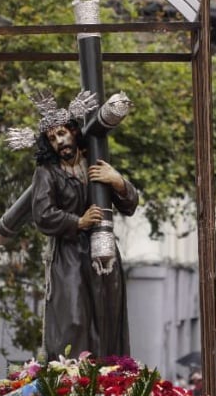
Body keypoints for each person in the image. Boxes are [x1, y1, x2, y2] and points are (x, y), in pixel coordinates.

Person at [22, 92, 139, 358]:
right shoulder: (47, 173)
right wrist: (78, 221)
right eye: (52, 138)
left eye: (62, 133)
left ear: (74, 132)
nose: (59, 141)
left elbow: (129, 205)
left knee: (107, 315)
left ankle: (108, 374)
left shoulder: (96, 162)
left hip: (102, 252)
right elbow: (43, 214)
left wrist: (117, 181)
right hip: (68, 255)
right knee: (73, 318)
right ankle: (72, 376)